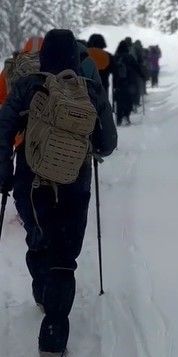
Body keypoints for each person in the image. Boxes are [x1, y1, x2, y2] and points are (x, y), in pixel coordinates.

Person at [0, 29, 117, 356]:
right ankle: (53, 334)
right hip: (74, 183)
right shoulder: (90, 90)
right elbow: (108, 143)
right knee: (64, 258)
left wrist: (3, 174)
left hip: (30, 181)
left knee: (38, 239)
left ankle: (41, 289)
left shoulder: (27, 86)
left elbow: (3, 128)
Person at [114, 39, 144, 126]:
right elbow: (137, 67)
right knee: (128, 100)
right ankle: (126, 116)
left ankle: (119, 119)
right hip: (130, 82)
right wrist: (142, 76)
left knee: (119, 101)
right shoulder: (129, 57)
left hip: (118, 83)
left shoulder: (116, 57)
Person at [130, 39, 148, 110]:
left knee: (132, 87)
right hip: (138, 69)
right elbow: (142, 60)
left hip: (130, 71)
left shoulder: (131, 48)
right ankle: (136, 103)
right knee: (137, 87)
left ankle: (132, 104)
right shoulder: (140, 49)